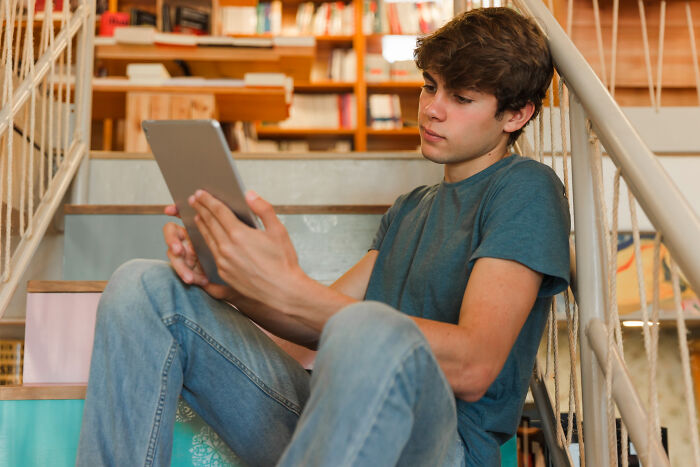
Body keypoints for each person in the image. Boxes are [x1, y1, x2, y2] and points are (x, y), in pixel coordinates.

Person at [77, 7, 570, 467]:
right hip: (330, 421)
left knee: (368, 329)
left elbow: (474, 365)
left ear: (516, 115)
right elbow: (313, 334)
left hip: (439, 445)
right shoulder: (411, 208)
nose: (432, 109)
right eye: (429, 86)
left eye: (460, 99)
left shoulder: (525, 188)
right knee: (141, 286)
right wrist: (234, 287)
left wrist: (291, 286)